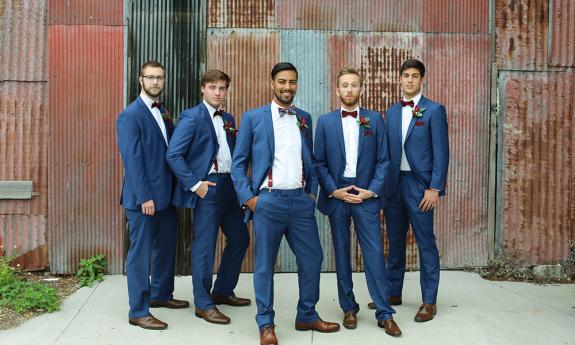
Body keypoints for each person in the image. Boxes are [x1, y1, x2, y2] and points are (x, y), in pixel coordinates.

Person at [231, 62, 340, 345]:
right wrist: (250, 199)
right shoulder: (254, 118)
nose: (287, 87)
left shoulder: (304, 118)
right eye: (282, 82)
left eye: (292, 82)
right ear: (272, 83)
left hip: (300, 203)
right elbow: (238, 163)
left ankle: (306, 314)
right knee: (266, 265)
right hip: (268, 202)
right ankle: (266, 324)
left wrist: (311, 194)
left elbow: (312, 160)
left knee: (313, 258)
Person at [314, 67, 401, 336]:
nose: (349, 90)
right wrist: (333, 190)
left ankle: (384, 312)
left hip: (366, 197)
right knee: (341, 253)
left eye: (354, 85)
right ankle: (348, 307)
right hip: (338, 196)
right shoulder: (325, 122)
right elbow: (319, 162)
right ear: (337, 90)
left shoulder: (375, 120)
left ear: (361, 89)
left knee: (373, 253)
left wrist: (371, 191)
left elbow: (384, 160)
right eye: (344, 85)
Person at [166, 70, 250, 325]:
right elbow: (173, 155)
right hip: (208, 188)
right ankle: (203, 304)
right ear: (203, 88)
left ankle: (222, 290)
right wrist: (195, 185)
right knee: (205, 247)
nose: (217, 92)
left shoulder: (228, 117)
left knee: (240, 238)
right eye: (212, 87)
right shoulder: (191, 116)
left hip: (230, 188)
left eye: (222, 88)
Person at [372, 59, 449, 323]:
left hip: (420, 187)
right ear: (400, 79)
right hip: (394, 186)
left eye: (414, 76)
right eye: (405, 75)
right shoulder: (392, 112)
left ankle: (429, 300)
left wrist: (434, 188)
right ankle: (393, 293)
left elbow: (441, 152)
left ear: (421, 80)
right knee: (394, 242)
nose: (409, 80)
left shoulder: (434, 110)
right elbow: (386, 152)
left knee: (425, 242)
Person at [116, 60, 189, 330]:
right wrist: (145, 196)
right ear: (140, 80)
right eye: (150, 77)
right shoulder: (130, 115)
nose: (155, 82)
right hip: (143, 199)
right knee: (140, 254)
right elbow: (132, 160)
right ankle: (138, 310)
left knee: (166, 247)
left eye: (159, 77)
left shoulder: (163, 112)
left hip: (166, 197)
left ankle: (160, 294)